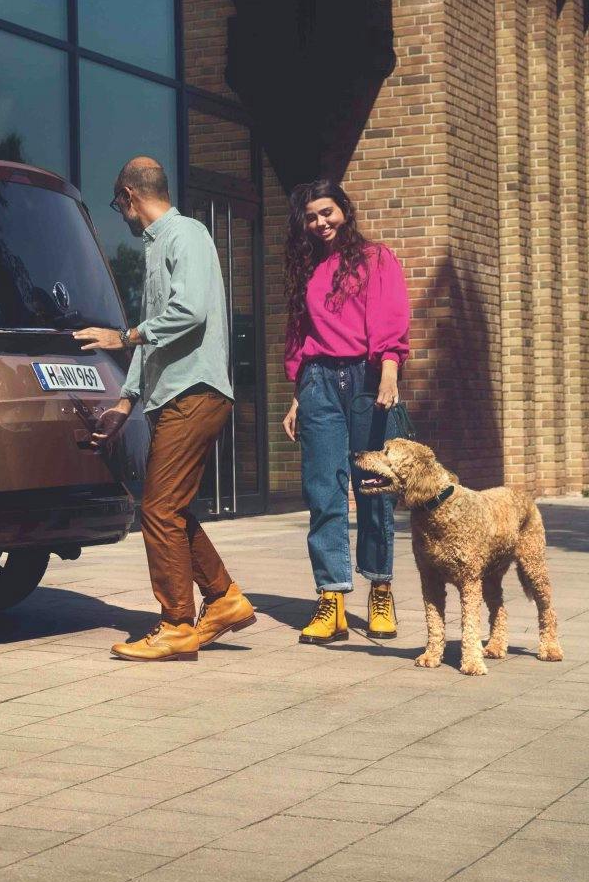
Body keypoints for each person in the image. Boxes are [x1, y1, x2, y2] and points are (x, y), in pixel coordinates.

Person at [75, 158, 254, 662]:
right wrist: (125, 401)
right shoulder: (158, 248)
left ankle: (176, 624)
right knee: (169, 507)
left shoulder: (186, 235)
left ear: (129, 196)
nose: (122, 217)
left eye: (118, 206)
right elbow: (155, 339)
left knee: (158, 509)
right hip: (174, 393)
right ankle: (223, 599)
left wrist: (123, 335)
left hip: (193, 391)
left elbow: (189, 312)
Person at [281, 179, 410, 644]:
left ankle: (381, 590)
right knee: (323, 491)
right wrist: (298, 395)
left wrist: (389, 373)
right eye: (311, 217)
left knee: (373, 487)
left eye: (327, 212)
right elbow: (301, 335)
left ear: (344, 210)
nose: (320, 223)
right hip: (317, 383)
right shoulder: (307, 269)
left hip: (367, 379)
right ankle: (331, 598)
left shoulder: (376, 258)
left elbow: (390, 316)